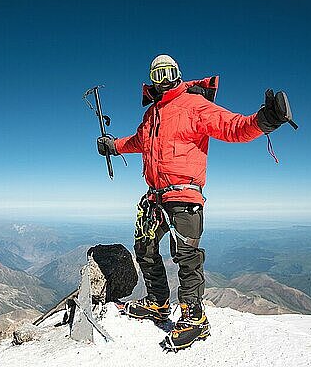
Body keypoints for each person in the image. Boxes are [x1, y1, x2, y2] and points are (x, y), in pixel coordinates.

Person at [97, 54, 292, 351]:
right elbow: (138, 142)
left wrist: (265, 120)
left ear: (178, 73)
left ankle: (194, 318)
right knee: (145, 249)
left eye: (169, 72)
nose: (164, 79)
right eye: (157, 74)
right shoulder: (151, 115)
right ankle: (159, 303)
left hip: (184, 196)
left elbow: (233, 127)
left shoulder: (195, 105)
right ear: (152, 79)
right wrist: (113, 146)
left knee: (185, 256)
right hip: (154, 196)